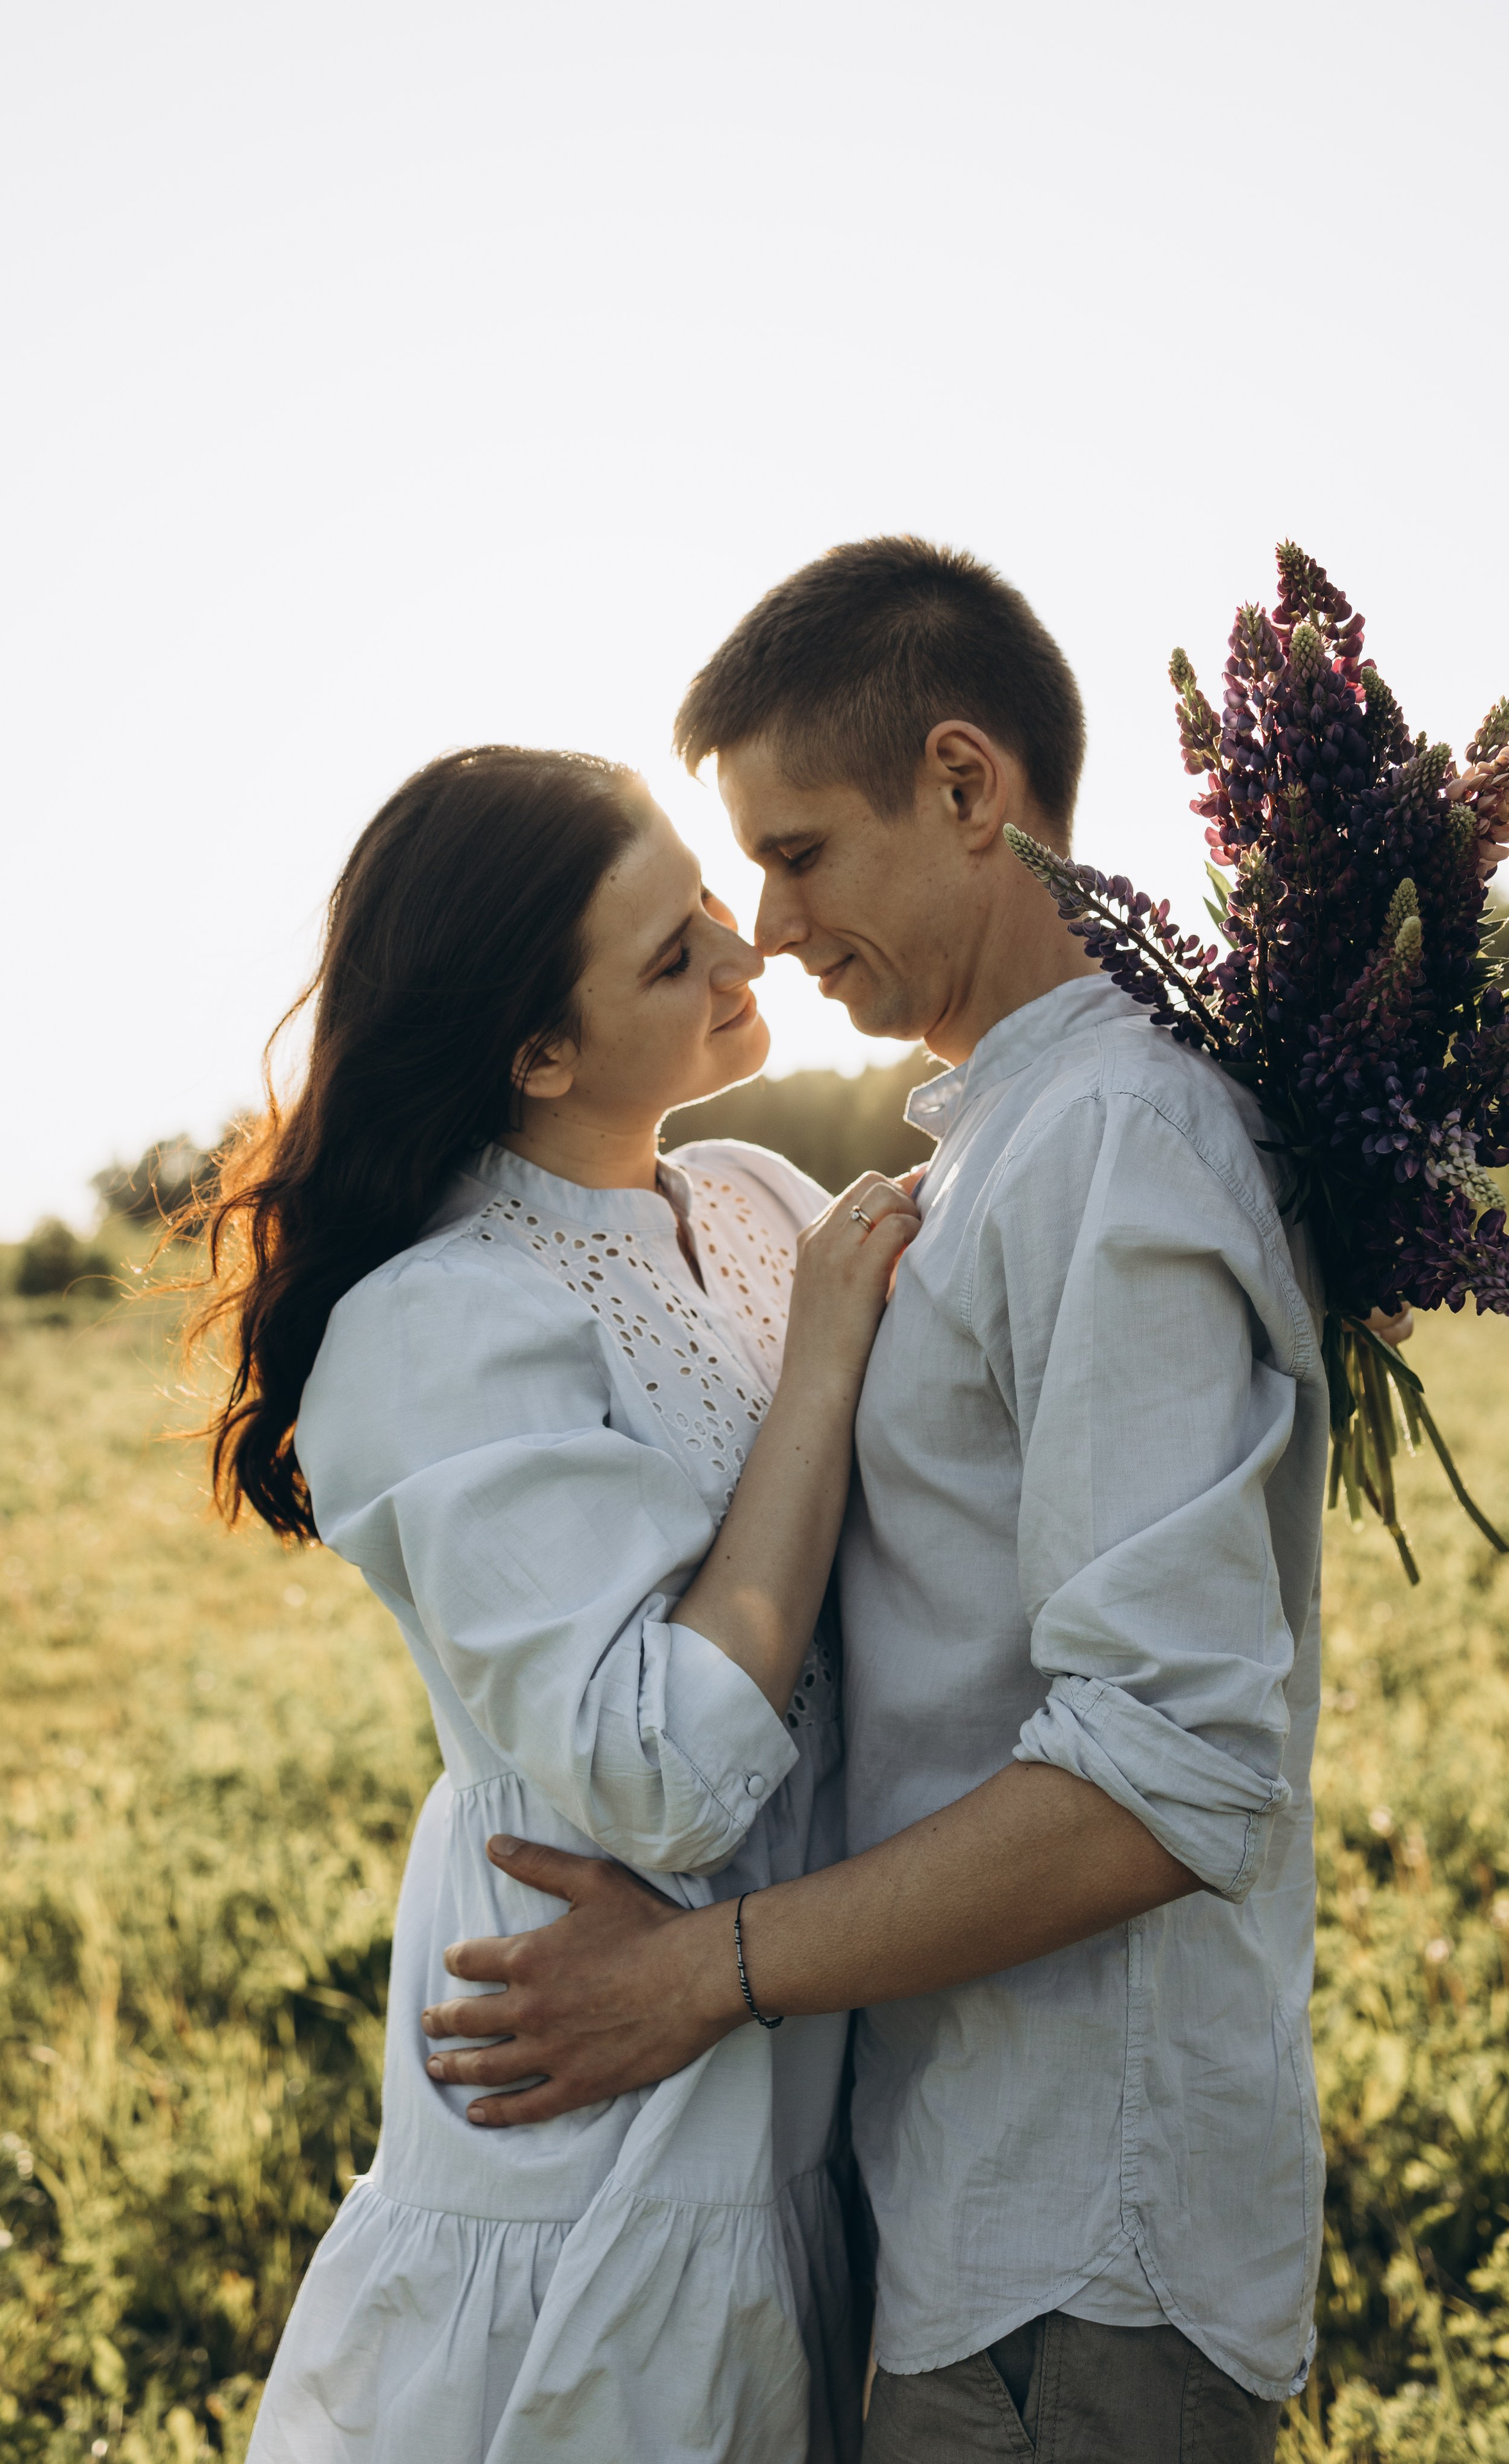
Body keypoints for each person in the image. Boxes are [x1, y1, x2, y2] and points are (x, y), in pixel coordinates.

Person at [421, 542, 1338, 2462]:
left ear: (965, 784)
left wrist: (696, 1979)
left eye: (800, 851)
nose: (766, 923)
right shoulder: (1007, 1131)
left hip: (1078, 2248)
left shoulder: (1113, 1144)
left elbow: (1166, 1771)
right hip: (974, 2210)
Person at [192, 743, 919, 2463]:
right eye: (675, 956)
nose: (749, 955)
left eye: (709, 898)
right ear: (539, 1052)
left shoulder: (747, 1200)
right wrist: (819, 1371)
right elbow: (659, 1771)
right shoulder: (441, 1323)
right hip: (596, 2131)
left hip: (795, 2071)